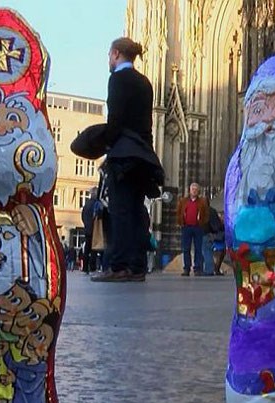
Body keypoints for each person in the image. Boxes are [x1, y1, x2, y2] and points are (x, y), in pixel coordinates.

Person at [88, 37, 164, 283]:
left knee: (120, 211)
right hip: (142, 154)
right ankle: (136, 265)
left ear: (117, 54)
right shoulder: (144, 82)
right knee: (136, 210)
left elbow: (116, 120)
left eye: (109, 55)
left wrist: (107, 146)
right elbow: (147, 124)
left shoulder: (118, 79)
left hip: (123, 153)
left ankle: (119, 265)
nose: (108, 60)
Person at [176, 183, 209, 276]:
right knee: (186, 248)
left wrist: (202, 222)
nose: (194, 191)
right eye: (192, 189)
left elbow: (206, 214)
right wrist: (180, 222)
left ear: (198, 191)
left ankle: (197, 268)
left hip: (197, 227)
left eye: (195, 189)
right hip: (186, 227)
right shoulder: (183, 201)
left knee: (198, 248)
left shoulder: (202, 202)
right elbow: (179, 212)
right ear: (189, 190)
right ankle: (186, 268)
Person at [81, 187, 99, 274]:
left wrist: (86, 225)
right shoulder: (97, 203)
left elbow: (83, 216)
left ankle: (85, 268)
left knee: (87, 249)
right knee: (94, 250)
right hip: (95, 229)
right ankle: (92, 268)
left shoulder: (86, 204)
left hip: (87, 229)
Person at [206, 206, 226, 275]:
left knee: (219, 254)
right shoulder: (214, 215)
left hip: (219, 238)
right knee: (218, 254)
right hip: (218, 238)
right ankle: (215, 269)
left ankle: (216, 269)